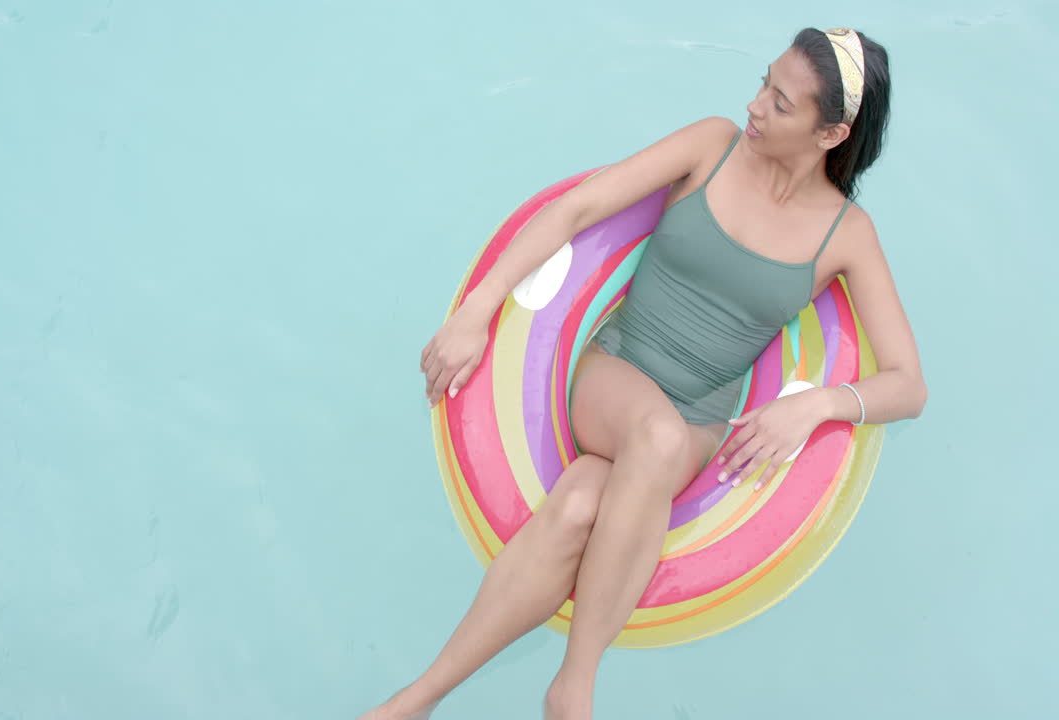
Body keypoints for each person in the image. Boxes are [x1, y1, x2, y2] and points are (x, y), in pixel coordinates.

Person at [362, 27, 926, 720]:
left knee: (579, 504)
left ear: (831, 133)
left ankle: (414, 702)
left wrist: (816, 405)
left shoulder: (847, 235)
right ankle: (575, 688)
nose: (754, 105)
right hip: (618, 372)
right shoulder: (713, 146)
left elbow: (909, 384)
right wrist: (478, 308)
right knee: (654, 437)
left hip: (702, 421)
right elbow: (578, 208)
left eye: (781, 103)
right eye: (763, 83)